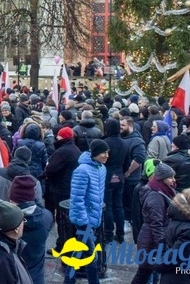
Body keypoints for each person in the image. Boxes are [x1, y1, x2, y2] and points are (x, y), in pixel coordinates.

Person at [65, 139, 108, 284]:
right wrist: (84, 222)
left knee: (78, 253)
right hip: (85, 221)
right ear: (95, 153)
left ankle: (68, 281)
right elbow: (76, 199)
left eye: (108, 152)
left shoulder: (101, 168)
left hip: (94, 219)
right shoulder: (82, 170)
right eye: (104, 152)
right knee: (91, 255)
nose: (107, 155)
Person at [131, 163, 176, 284]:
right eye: (170, 177)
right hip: (151, 241)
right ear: (162, 179)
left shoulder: (161, 191)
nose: (173, 180)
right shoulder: (156, 196)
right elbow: (156, 223)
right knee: (144, 273)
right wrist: (161, 244)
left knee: (147, 272)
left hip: (151, 239)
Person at [44, 126, 81, 251]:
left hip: (61, 189)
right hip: (70, 188)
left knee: (62, 219)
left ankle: (62, 246)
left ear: (62, 137)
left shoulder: (62, 151)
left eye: (58, 136)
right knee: (69, 219)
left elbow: (50, 169)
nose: (56, 137)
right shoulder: (75, 149)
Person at [102, 118, 129, 244]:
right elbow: (127, 163)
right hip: (120, 175)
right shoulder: (125, 143)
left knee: (108, 206)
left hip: (107, 175)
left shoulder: (105, 142)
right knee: (119, 205)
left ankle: (108, 233)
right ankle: (120, 234)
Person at [121, 117, 147, 226]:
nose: (120, 128)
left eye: (123, 125)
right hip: (126, 178)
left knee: (130, 203)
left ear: (130, 126)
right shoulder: (126, 138)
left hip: (132, 179)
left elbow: (139, 158)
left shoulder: (137, 140)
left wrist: (128, 172)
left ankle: (130, 222)